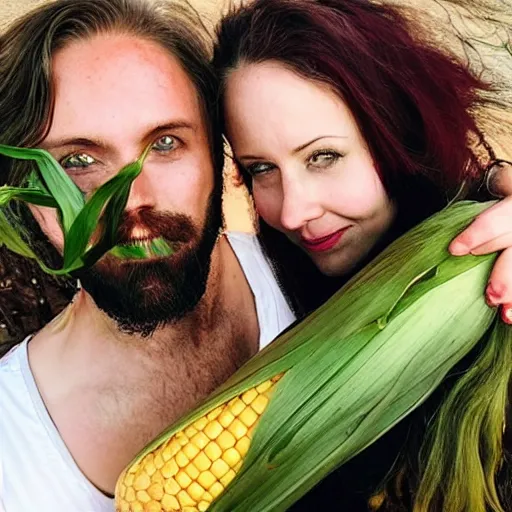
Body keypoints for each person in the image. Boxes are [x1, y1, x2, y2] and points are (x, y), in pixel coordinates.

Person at [213, 0, 512, 510]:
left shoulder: (490, 297)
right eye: (261, 168)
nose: (292, 213)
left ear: (397, 134)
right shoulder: (274, 289)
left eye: (323, 157)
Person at [0, 1, 296, 510]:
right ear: (26, 196)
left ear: (218, 154)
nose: (134, 202)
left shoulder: (319, 278)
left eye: (164, 143)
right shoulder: (12, 453)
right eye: (78, 160)